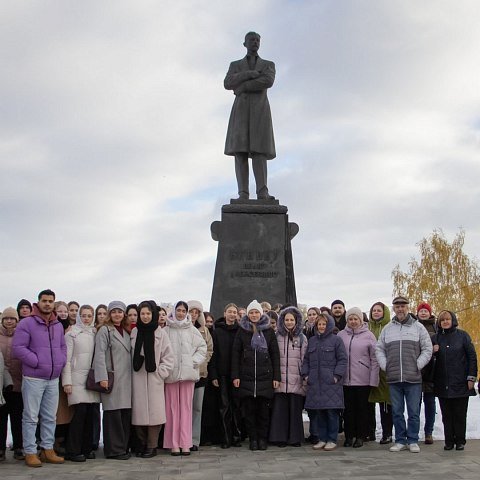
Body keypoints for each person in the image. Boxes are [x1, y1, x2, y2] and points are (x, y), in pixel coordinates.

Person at [12, 289, 67, 467]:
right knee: (30, 416)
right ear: (38, 302)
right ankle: (30, 451)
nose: (47, 304)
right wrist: (36, 362)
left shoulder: (58, 325)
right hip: (33, 378)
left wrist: (61, 361)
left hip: (53, 378)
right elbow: (18, 348)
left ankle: (47, 449)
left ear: (54, 303)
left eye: (51, 301)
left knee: (50, 416)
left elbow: (62, 346)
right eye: (44, 300)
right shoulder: (27, 323)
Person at [376, 296, 433, 453]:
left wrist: (418, 364)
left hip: (413, 378)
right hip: (394, 378)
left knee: (413, 412)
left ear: (408, 307)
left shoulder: (418, 327)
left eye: (403, 306)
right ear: (393, 308)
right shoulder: (388, 329)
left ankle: (413, 440)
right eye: (397, 306)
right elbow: (379, 348)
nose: (400, 309)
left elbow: (427, 349)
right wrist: (385, 365)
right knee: (397, 412)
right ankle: (400, 440)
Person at [224, 31, 276, 200]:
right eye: (251, 40)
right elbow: (228, 83)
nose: (255, 42)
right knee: (240, 152)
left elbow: (267, 81)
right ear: (244, 43)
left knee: (259, 152)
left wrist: (243, 87)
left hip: (260, 111)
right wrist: (247, 74)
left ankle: (262, 191)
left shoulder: (268, 64)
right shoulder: (235, 65)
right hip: (241, 111)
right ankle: (243, 193)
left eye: (257, 40)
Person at [231, 300, 281, 451]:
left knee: (263, 412)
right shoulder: (242, 331)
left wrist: (276, 377)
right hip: (246, 378)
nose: (254, 315)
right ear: (248, 314)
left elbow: (275, 354)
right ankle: (253, 439)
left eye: (256, 312)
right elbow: (235, 354)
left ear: (261, 314)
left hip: (264, 377)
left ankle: (262, 439)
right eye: (251, 312)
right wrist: (235, 376)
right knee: (249, 412)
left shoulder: (268, 331)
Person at [131, 301, 174, 458]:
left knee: (155, 415)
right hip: (138, 377)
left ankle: (152, 445)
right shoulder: (134, 332)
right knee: (139, 414)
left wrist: (160, 373)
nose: (145, 316)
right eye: (142, 314)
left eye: (148, 313)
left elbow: (168, 356)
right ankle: (141, 444)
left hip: (154, 378)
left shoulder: (160, 333)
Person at [164, 301, 207, 456]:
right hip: (171, 375)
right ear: (174, 311)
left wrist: (193, 362)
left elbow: (203, 348)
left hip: (188, 375)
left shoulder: (192, 330)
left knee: (186, 409)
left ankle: (186, 443)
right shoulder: (166, 330)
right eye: (178, 310)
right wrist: (166, 366)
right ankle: (174, 443)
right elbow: (161, 351)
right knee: (172, 410)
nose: (181, 313)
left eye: (183, 311)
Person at [301, 313, 347, 451]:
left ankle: (332, 439)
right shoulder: (313, 341)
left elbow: (342, 359)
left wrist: (336, 376)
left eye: (324, 324)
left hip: (331, 383)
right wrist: (306, 375)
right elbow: (306, 360)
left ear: (329, 325)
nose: (321, 327)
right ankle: (322, 438)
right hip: (315, 383)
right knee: (319, 412)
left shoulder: (336, 340)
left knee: (331, 413)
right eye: (319, 324)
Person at [433, 310, 477, 451]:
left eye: (448, 319)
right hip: (442, 382)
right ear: (439, 323)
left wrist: (471, 377)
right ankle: (448, 441)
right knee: (446, 415)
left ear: (453, 320)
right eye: (442, 320)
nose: (445, 322)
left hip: (461, 382)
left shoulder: (463, 336)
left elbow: (472, 357)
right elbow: (428, 360)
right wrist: (433, 352)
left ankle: (460, 441)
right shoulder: (435, 338)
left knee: (459, 413)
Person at [93, 301, 132, 460]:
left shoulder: (127, 331)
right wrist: (102, 377)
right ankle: (114, 450)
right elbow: (100, 354)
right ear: (110, 314)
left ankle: (123, 447)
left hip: (127, 379)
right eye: (114, 311)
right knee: (112, 414)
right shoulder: (105, 330)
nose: (117, 314)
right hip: (112, 378)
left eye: (120, 312)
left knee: (124, 415)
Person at [62, 305, 100, 462]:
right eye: (83, 315)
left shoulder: (94, 333)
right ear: (79, 316)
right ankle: (73, 450)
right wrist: (67, 382)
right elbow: (67, 360)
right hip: (76, 379)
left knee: (90, 414)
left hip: (90, 380)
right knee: (79, 414)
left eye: (89, 316)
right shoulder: (71, 335)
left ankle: (86, 448)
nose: (86, 318)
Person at [338, 307, 379, 448]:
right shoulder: (341, 335)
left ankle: (361, 436)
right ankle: (349, 436)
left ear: (361, 320)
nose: (353, 321)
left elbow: (374, 359)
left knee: (362, 409)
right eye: (350, 319)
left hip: (363, 379)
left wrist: (374, 379)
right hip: (345, 380)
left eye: (356, 319)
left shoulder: (369, 335)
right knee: (348, 410)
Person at [268, 306, 307, 447]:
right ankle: (280, 437)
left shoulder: (302, 338)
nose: (289, 322)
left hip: (296, 378)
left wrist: (304, 378)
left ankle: (295, 438)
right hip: (280, 379)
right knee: (280, 410)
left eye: (292, 320)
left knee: (295, 410)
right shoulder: (276, 336)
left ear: (296, 321)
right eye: (287, 319)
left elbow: (304, 359)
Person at [209, 303, 242, 448]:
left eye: (235, 312)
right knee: (224, 407)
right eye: (230, 312)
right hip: (222, 375)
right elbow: (214, 355)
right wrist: (214, 375)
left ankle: (236, 436)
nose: (233, 314)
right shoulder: (217, 332)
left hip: (236, 375)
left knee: (236, 406)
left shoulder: (240, 331)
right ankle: (226, 438)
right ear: (225, 313)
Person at [187, 300, 213, 451]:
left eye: (197, 312)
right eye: (191, 311)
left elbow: (209, 349)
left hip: (201, 374)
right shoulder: (181, 328)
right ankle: (183, 437)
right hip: (184, 374)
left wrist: (203, 362)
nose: (194, 315)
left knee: (197, 408)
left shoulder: (204, 330)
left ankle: (194, 440)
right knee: (184, 408)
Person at [0, 307, 24, 461]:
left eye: (12, 319)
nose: (9, 321)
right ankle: (1, 449)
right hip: (1, 385)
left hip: (19, 383)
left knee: (17, 417)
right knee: (1, 418)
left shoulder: (22, 335)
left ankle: (18, 447)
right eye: (6, 319)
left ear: (16, 320)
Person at [367, 302, 393, 444]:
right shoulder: (367, 328)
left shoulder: (389, 328)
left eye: (379, 310)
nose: (376, 313)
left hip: (385, 371)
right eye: (374, 310)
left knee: (385, 404)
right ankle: (370, 431)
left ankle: (387, 433)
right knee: (369, 403)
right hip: (369, 370)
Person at [415, 302, 437, 445]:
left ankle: (428, 432)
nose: (423, 313)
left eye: (425, 311)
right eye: (421, 311)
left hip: (431, 371)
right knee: (414, 403)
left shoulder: (436, 327)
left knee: (430, 402)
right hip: (416, 370)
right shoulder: (413, 326)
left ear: (430, 313)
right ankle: (414, 432)